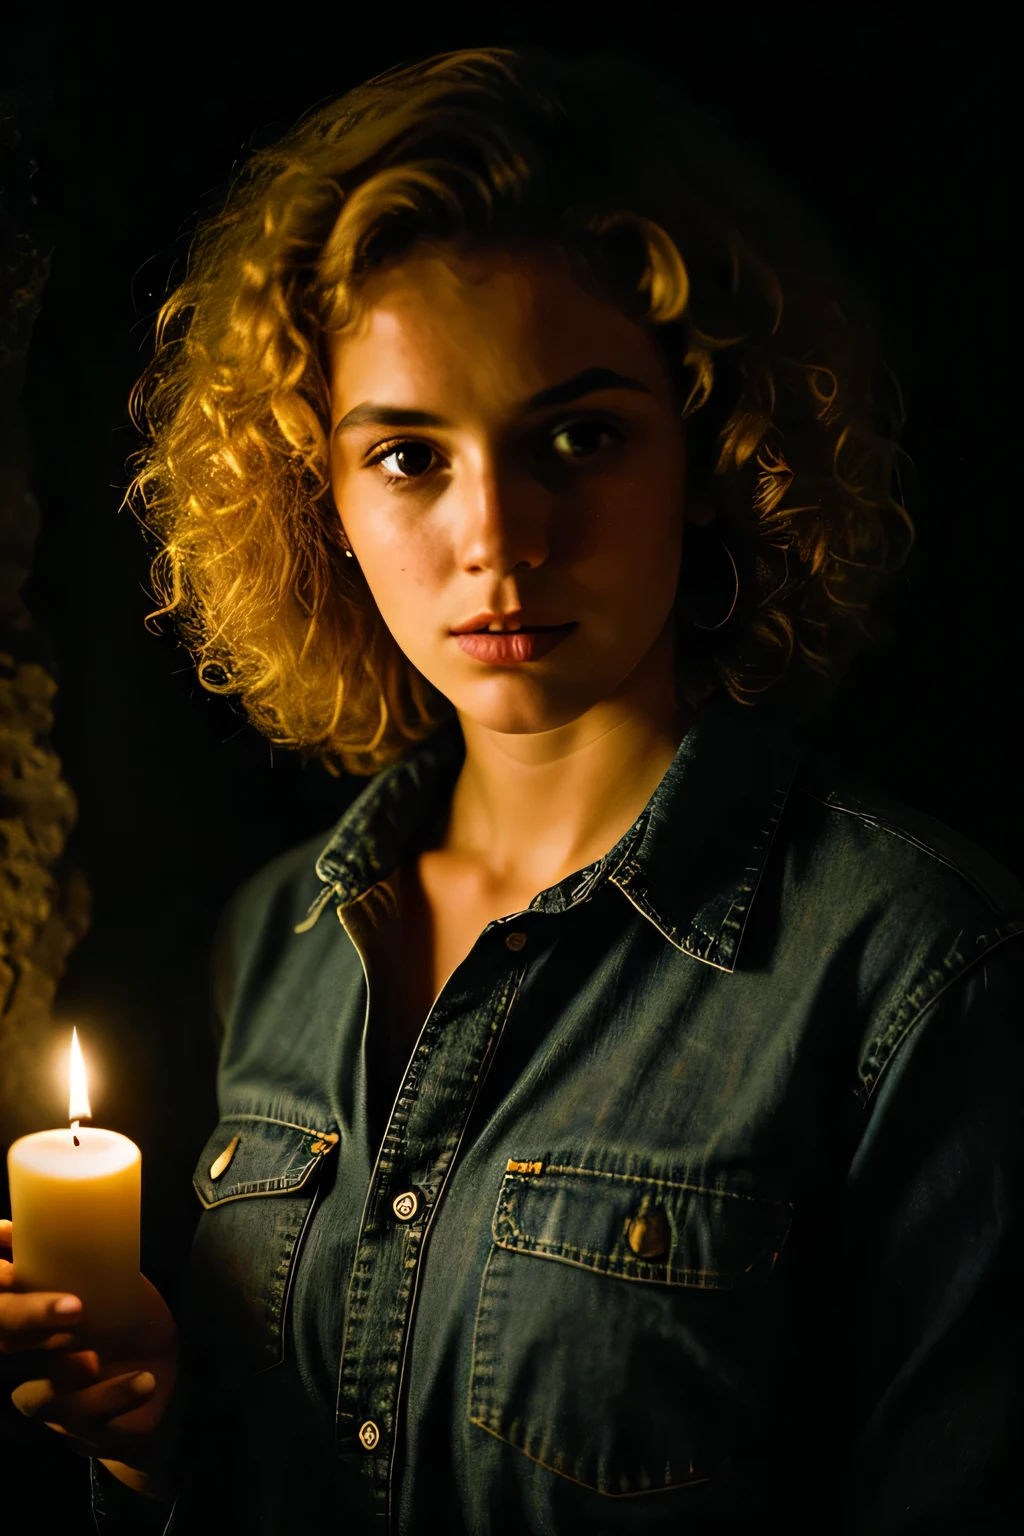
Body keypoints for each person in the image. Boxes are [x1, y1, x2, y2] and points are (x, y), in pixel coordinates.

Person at [2, 42, 1021, 1535]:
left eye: (579, 438)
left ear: (711, 449)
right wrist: (159, 1435)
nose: (498, 537)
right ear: (321, 501)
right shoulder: (273, 946)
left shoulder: (916, 973)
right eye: (411, 455)